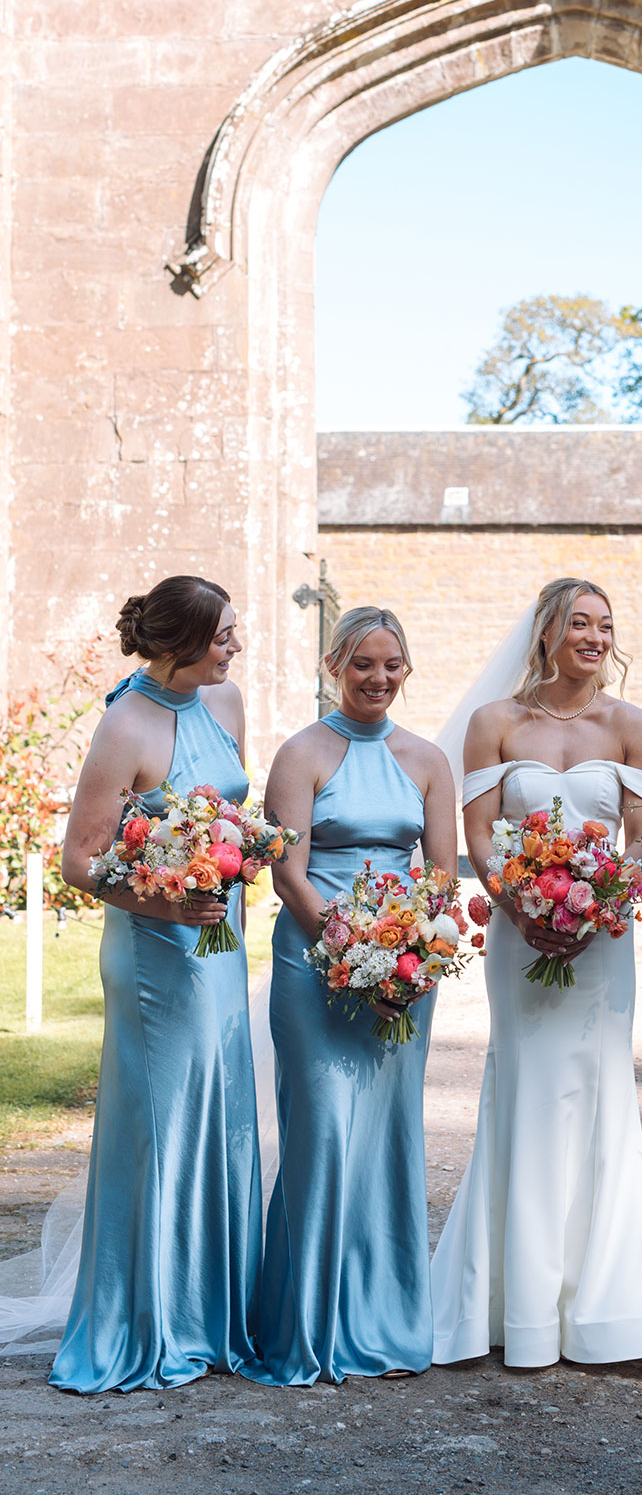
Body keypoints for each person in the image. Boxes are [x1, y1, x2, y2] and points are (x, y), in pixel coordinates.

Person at [430, 577, 642, 1368]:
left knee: (600, 1092)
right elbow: (478, 834)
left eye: (606, 625)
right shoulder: (494, 723)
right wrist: (520, 906)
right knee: (526, 1088)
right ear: (546, 632)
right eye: (580, 623)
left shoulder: (633, 726)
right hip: (517, 929)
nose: (595, 637)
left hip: (604, 939)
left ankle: (606, 1304)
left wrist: (602, 903)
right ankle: (515, 1306)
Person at [51, 575, 261, 1392]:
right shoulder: (124, 725)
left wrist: (248, 857)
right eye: (222, 635)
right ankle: (147, 1319)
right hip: (154, 953)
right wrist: (161, 903)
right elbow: (80, 861)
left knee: (220, 1115)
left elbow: (233, 819)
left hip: (222, 942)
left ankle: (210, 1316)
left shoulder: (228, 703)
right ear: (179, 642)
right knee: (160, 1128)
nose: (234, 646)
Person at [244, 607, 456, 1385]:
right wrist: (351, 952)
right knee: (324, 1131)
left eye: (392, 665)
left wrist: (406, 953)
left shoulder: (428, 759)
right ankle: (304, 1325)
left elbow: (439, 872)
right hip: (314, 963)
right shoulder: (302, 754)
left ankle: (386, 1318)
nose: (378, 679)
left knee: (389, 1135)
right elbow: (287, 874)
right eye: (363, 664)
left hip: (406, 967)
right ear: (337, 664)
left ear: (407, 669)